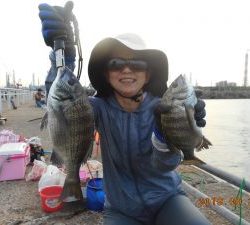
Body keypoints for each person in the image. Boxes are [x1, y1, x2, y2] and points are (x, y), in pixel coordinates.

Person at [39, 4, 210, 225]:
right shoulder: (95, 107)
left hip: (168, 199)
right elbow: (59, 104)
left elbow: (164, 165)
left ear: (148, 75)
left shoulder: (164, 108)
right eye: (116, 63)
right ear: (105, 73)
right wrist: (62, 56)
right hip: (120, 210)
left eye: (137, 63)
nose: (127, 69)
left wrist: (182, 126)